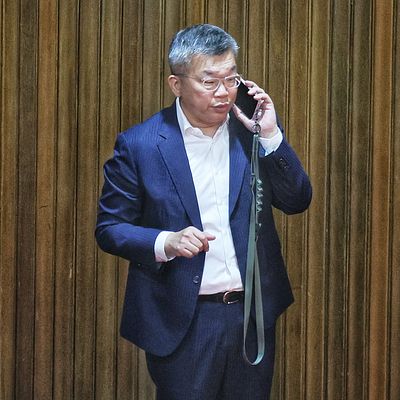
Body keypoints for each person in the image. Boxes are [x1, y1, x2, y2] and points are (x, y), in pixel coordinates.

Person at [96, 24, 312, 400]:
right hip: (185, 319)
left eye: (231, 79)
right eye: (209, 82)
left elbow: (297, 200)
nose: (223, 92)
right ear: (176, 84)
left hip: (251, 316)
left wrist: (271, 135)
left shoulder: (251, 130)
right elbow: (110, 227)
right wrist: (166, 241)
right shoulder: (140, 144)